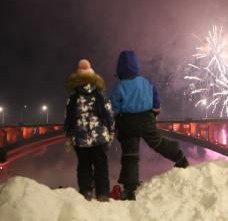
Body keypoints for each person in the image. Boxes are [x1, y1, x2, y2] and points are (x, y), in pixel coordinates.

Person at [111, 50, 189, 200]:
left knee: (130, 154)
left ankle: (129, 189)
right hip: (146, 118)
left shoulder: (120, 86)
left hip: (127, 121)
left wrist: (118, 118)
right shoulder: (147, 83)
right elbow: (156, 103)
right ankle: (180, 158)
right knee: (157, 142)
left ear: (119, 68)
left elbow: (114, 107)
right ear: (136, 66)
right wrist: (152, 114)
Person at [64, 59, 114, 202]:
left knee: (84, 168)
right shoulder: (100, 96)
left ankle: (86, 193)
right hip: (99, 139)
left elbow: (68, 120)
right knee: (101, 168)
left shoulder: (72, 99)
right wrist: (111, 132)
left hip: (80, 139)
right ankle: (103, 195)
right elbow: (109, 115)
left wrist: (68, 137)